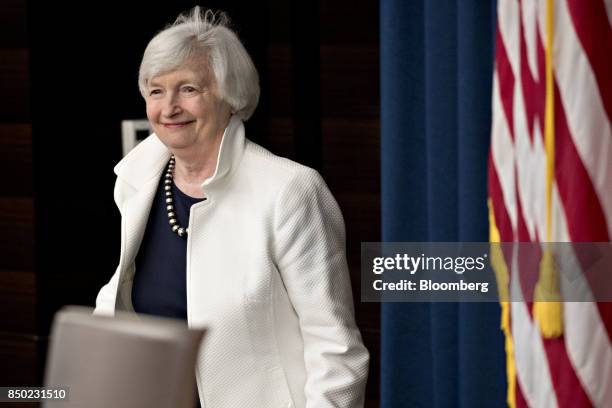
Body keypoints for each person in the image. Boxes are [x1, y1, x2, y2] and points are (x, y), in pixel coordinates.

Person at [94, 6, 369, 408]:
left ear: (231, 95)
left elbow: (336, 349)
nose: (168, 107)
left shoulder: (290, 190)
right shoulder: (138, 178)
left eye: (188, 89)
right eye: (156, 90)